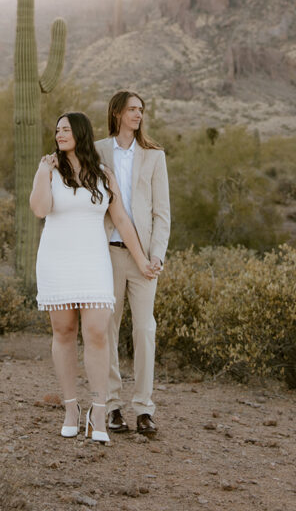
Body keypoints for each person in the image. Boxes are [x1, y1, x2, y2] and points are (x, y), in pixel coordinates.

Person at [30, 111, 155, 443]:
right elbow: (40, 209)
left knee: (98, 331)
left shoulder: (103, 175)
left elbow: (123, 222)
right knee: (64, 331)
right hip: (57, 259)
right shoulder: (48, 169)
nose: (59, 134)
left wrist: (141, 260)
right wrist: (44, 171)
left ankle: (98, 410)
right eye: (56, 130)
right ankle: (71, 407)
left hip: (93, 259)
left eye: (66, 129)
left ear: (81, 133)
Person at [95, 90, 170, 438]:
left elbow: (161, 213)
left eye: (141, 110)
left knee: (145, 330)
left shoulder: (154, 156)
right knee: (108, 328)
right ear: (117, 113)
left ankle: (144, 408)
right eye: (132, 109)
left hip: (144, 260)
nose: (138, 115)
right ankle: (111, 406)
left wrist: (156, 255)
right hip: (108, 253)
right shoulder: (98, 151)